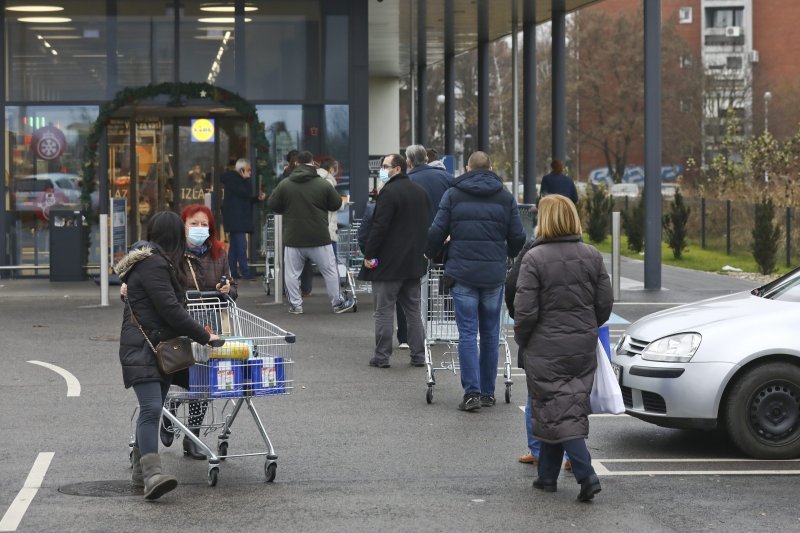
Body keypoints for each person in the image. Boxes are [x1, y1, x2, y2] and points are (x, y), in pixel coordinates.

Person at [114, 211, 221, 500]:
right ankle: (152, 475)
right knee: (150, 409)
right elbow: (171, 311)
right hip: (145, 349)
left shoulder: (153, 263)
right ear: (174, 237)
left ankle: (140, 470)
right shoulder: (155, 265)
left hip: (153, 348)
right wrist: (205, 336)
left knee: (153, 407)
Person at [513, 194, 612, 502]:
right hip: (582, 343)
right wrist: (586, 325)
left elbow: (525, 311)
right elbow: (604, 304)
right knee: (559, 407)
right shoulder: (592, 255)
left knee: (556, 408)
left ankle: (586, 474)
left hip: (544, 344)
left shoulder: (534, 258)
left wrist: (523, 339)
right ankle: (546, 478)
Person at [427, 151, 526, 411]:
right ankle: (487, 392)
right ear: (491, 168)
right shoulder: (505, 197)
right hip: (493, 275)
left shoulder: (453, 194)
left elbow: (437, 230)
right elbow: (518, 236)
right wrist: (505, 253)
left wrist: (430, 253)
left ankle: (471, 393)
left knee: (468, 333)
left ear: (468, 168)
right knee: (491, 333)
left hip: (462, 273)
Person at [175, 204, 237, 459]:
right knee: (177, 378)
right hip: (180, 325)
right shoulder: (174, 254)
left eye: (204, 225)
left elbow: (233, 289)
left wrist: (227, 289)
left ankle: (193, 436)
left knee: (203, 381)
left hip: (209, 326)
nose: (200, 229)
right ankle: (169, 415)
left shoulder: (218, 253)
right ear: (183, 225)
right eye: (194, 223)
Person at [505, 238, 571, 472]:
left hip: (540, 337)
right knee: (573, 394)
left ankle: (537, 451)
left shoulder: (533, 251)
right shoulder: (586, 253)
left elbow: (513, 287)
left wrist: (522, 329)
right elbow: (602, 300)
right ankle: (574, 452)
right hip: (575, 338)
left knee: (537, 394)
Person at [359, 153, 430, 368]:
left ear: (397, 169)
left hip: (389, 264)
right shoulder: (421, 192)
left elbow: (379, 228)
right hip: (414, 262)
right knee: (413, 312)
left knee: (383, 310)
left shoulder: (388, 193)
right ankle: (419, 355)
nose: (382, 169)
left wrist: (369, 255)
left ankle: (382, 356)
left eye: (385, 166)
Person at [268, 150, 354, 315]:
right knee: (329, 270)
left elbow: (273, 204)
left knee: (292, 274)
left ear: (296, 163)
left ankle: (295, 305)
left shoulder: (286, 184)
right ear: (313, 163)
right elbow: (335, 204)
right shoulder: (322, 184)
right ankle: (337, 303)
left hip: (293, 237)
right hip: (319, 236)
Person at [357, 179, 409, 351]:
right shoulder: (405, 210)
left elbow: (363, 235)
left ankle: (382, 349)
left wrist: (369, 256)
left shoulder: (372, 209)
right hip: (402, 262)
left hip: (379, 263)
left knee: (382, 308)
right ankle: (405, 338)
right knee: (405, 304)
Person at [221, 158, 265, 281]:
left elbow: (245, 198)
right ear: (241, 170)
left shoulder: (235, 181)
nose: (250, 173)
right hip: (236, 219)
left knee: (235, 247)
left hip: (236, 219)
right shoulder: (235, 181)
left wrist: (257, 198)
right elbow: (245, 193)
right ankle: (245, 272)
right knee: (241, 246)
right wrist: (247, 180)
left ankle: (232, 271)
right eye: (248, 170)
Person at [405, 144, 451, 223]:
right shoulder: (447, 177)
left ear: (408, 162)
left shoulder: (406, 182)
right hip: (445, 231)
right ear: (426, 159)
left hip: (417, 231)